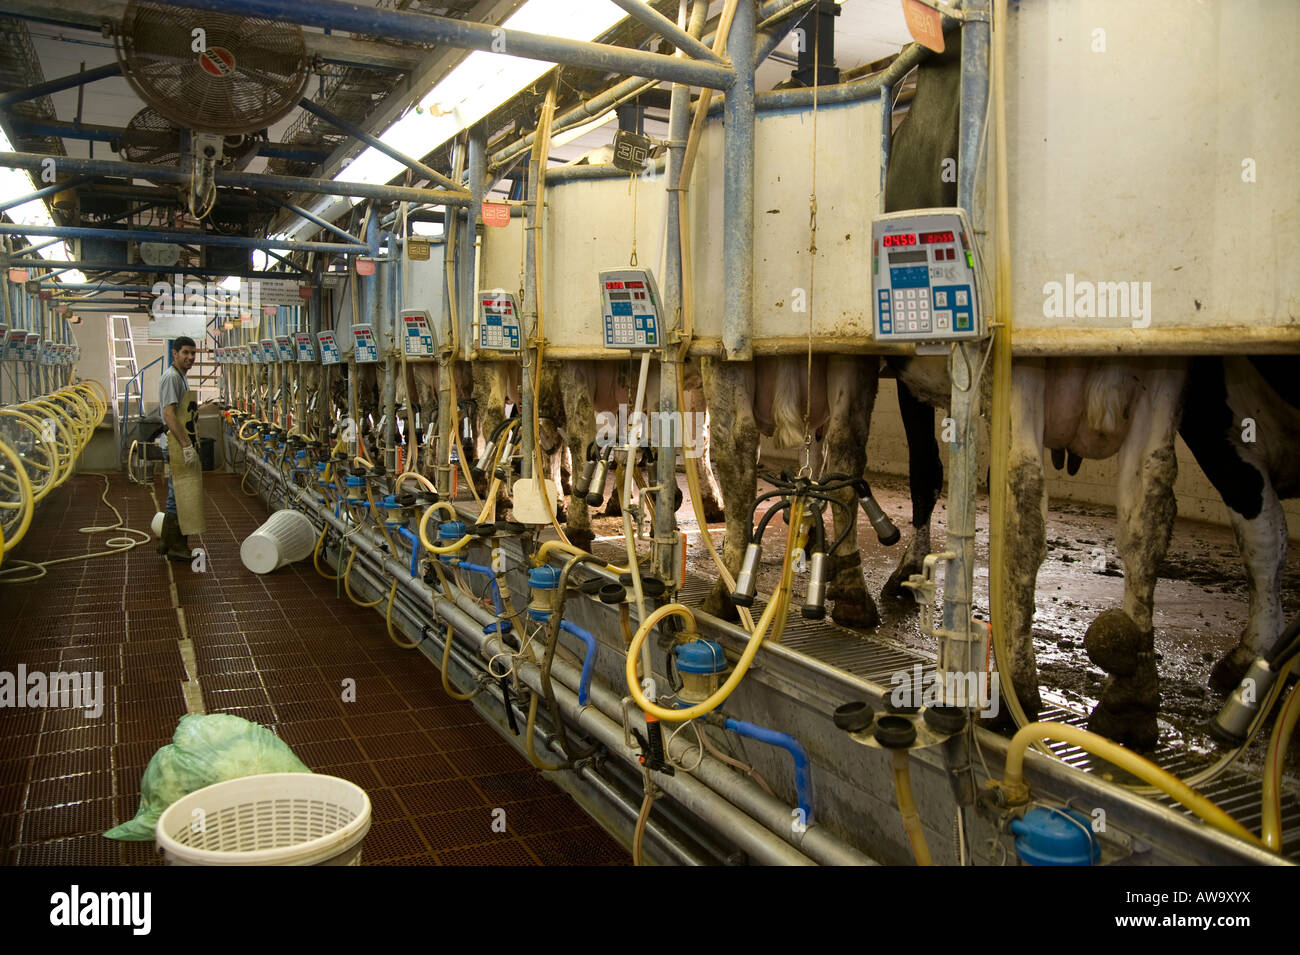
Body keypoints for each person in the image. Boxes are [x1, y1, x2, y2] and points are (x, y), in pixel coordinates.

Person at [157, 336, 205, 561]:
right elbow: (168, 414)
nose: (190, 357)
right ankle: (175, 545)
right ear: (174, 353)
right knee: (179, 495)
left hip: (179, 443)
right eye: (185, 352)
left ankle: (167, 542)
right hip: (176, 444)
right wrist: (186, 445)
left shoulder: (180, 377)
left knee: (177, 494)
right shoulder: (171, 378)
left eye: (193, 353)